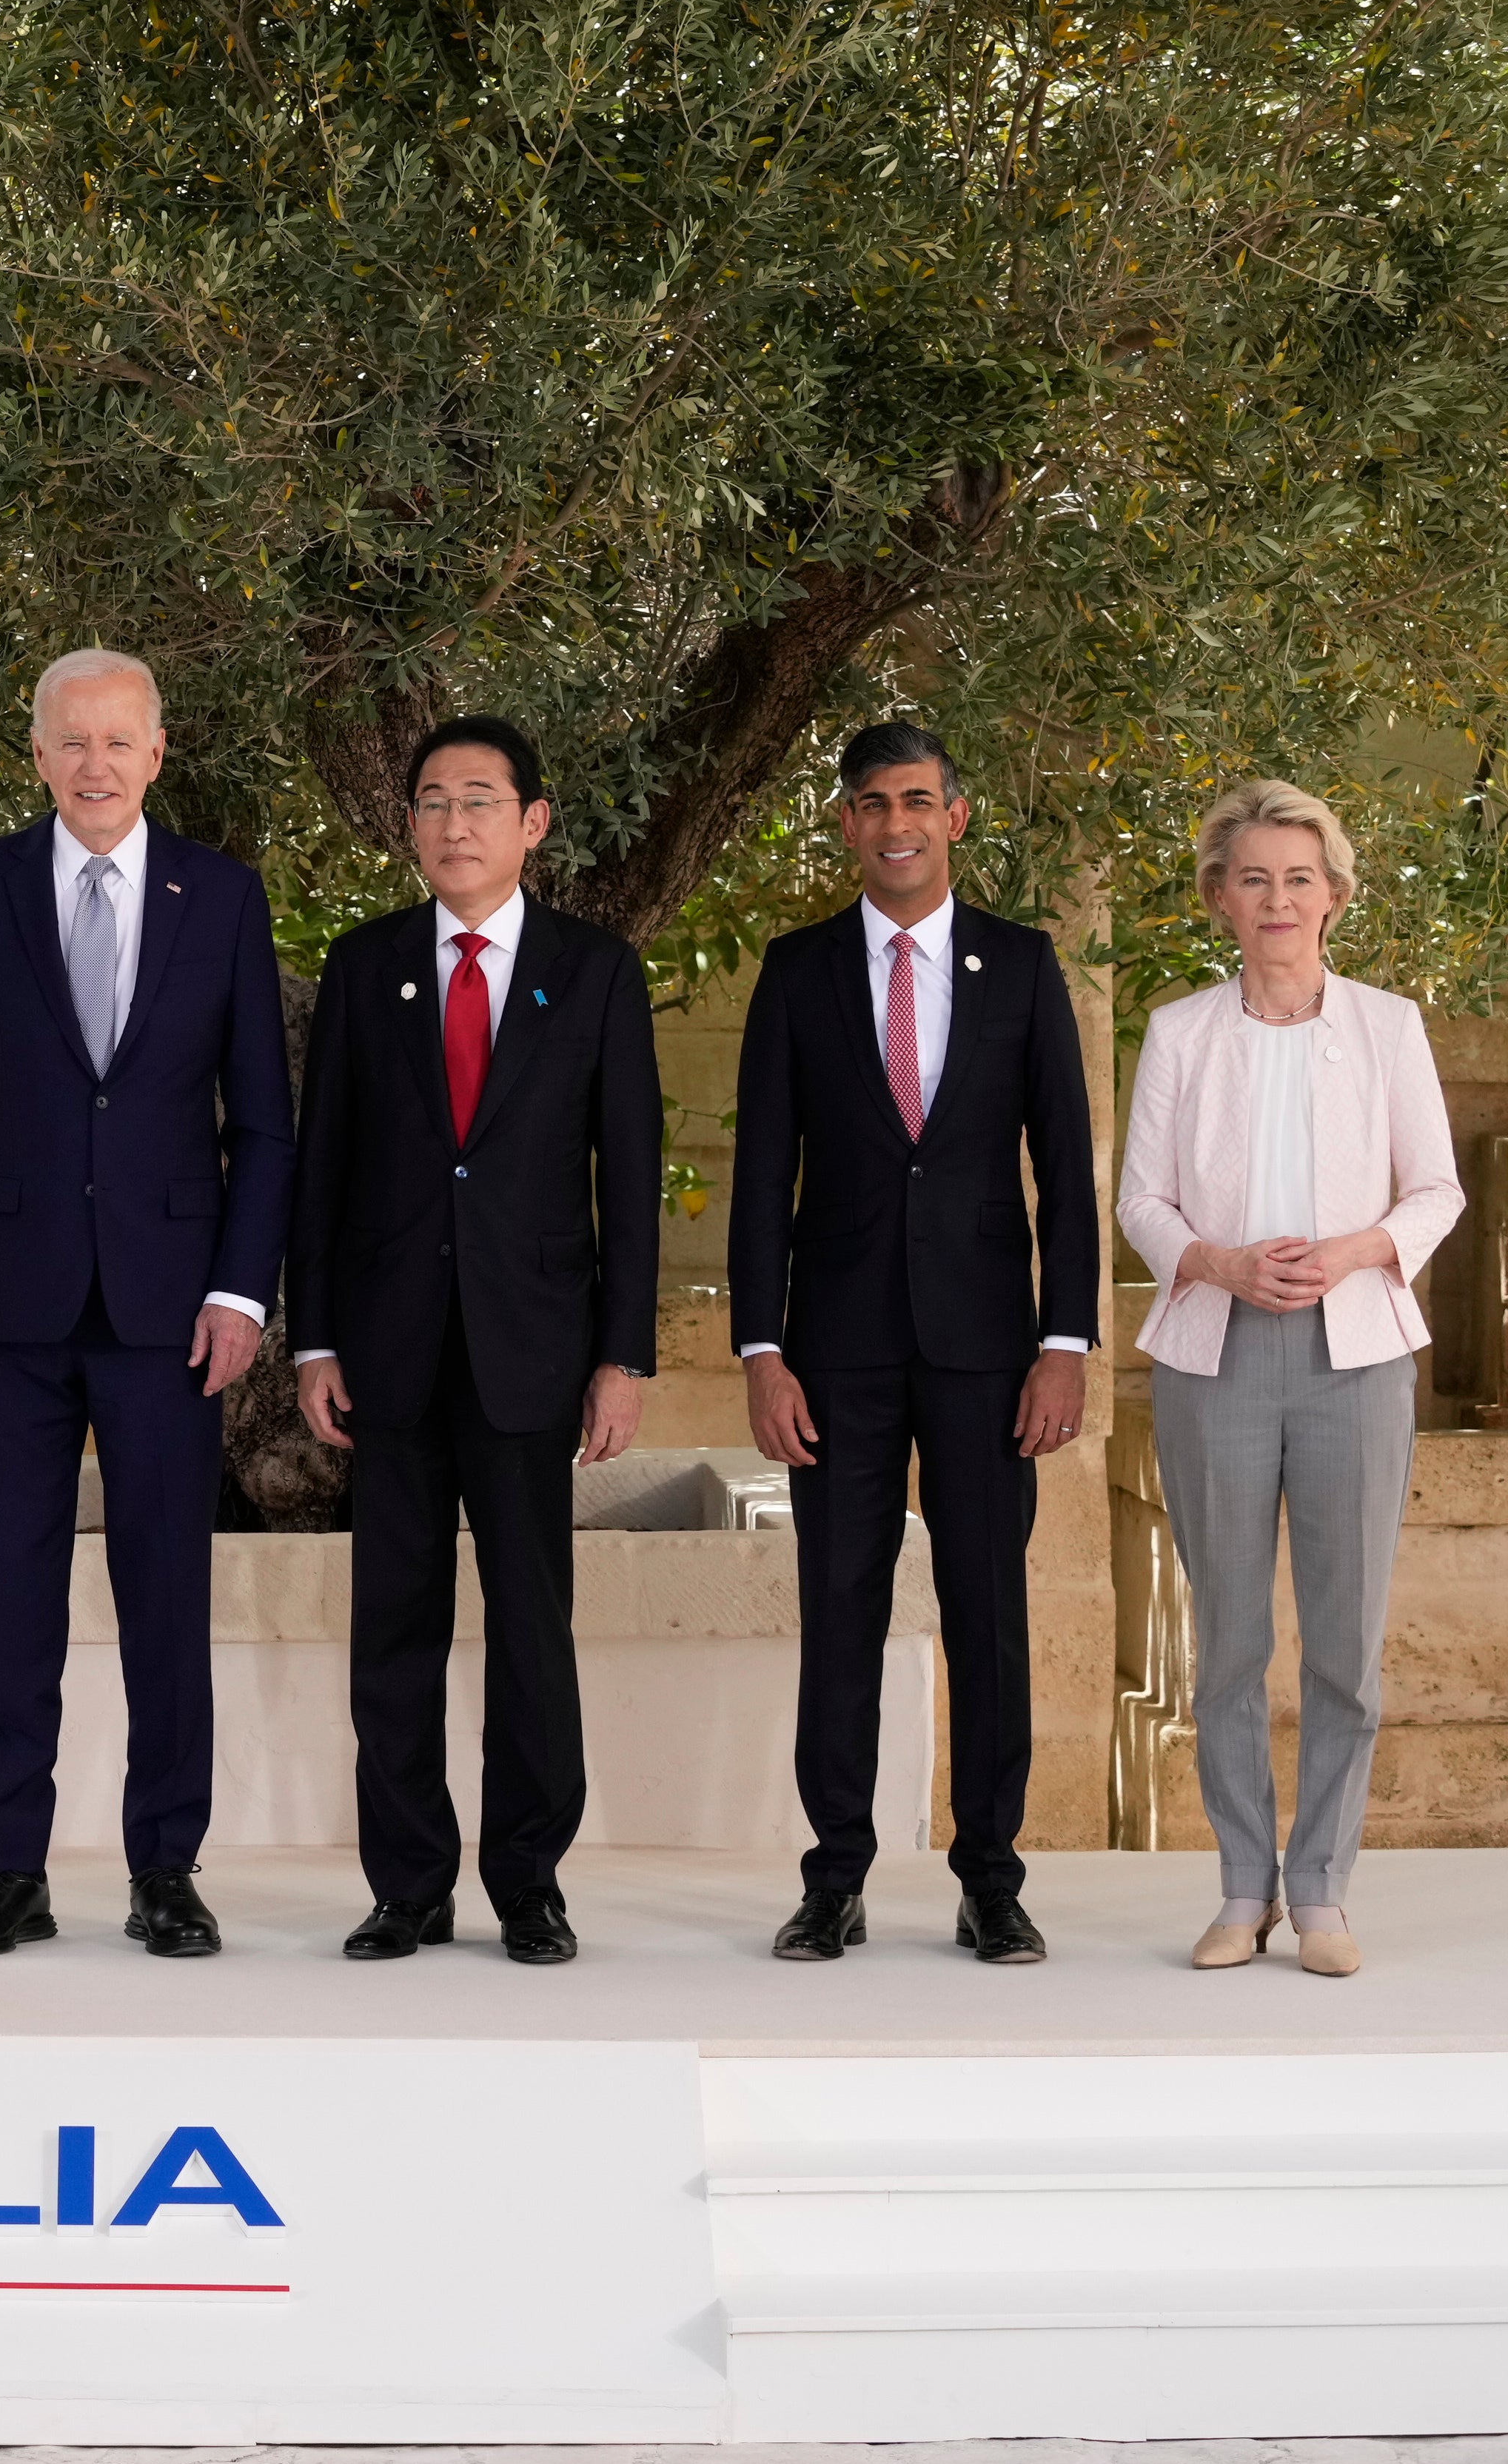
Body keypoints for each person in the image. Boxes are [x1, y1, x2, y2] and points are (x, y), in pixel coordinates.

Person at [0, 647, 295, 1958]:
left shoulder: (223, 900)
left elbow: (266, 1129)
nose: (97, 765)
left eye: (120, 743)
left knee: (165, 1592)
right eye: (74, 742)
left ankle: (164, 1868)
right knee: (10, 1592)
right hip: (3, 1310)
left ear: (158, 754)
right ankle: (13, 1864)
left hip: (174, 1314)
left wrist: (242, 1289)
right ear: (39, 752)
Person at [289, 717, 662, 1966]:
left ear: (533, 823)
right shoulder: (364, 966)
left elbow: (632, 1174)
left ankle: (529, 1883)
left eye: (482, 800)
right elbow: (322, 1170)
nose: (456, 823)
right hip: (389, 1352)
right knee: (392, 1626)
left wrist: (624, 1358)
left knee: (531, 1629)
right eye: (435, 801)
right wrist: (316, 1341)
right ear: (411, 826)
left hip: (533, 1348)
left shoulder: (595, 970)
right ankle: (407, 1883)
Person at [730, 719, 1096, 1967]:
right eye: (874, 802)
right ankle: (834, 1876)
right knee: (840, 1610)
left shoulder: (1022, 964)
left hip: (993, 1352)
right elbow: (759, 1177)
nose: (897, 823)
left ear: (957, 814)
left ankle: (992, 1880)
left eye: (918, 800)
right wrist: (758, 1352)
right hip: (832, 1354)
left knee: (986, 1611)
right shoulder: (796, 971)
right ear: (847, 823)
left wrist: (1066, 1340)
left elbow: (1068, 1171)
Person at [1118, 780, 1459, 1979]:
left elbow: (1436, 1192)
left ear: (1336, 896)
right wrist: (1211, 1260)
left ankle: (1321, 1892)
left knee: (1343, 1642)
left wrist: (1360, 1251)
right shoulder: (1179, 1032)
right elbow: (1141, 1200)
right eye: (1252, 878)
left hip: (1354, 1358)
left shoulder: (1389, 1027)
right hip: (1213, 1356)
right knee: (1227, 1643)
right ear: (1220, 898)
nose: (1277, 899)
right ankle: (1240, 1887)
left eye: (1299, 878)